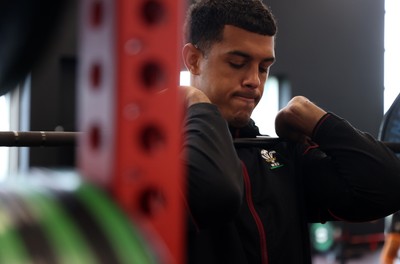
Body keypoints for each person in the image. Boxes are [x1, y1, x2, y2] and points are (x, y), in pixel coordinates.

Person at [180, 0, 400, 263]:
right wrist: (198, 105)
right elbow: (217, 195)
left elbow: (388, 188)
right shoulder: (165, 158)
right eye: (238, 63)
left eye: (263, 68)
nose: (254, 80)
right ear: (194, 60)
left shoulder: (279, 157)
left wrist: (315, 119)